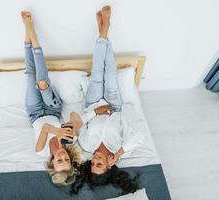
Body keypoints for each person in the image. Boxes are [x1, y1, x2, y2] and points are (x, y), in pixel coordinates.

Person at [70, 6, 144, 194]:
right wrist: (118, 154)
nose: (95, 158)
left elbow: (78, 123)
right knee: (110, 73)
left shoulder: (86, 145)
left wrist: (95, 111)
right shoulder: (120, 148)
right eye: (99, 163)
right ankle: (104, 30)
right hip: (114, 105)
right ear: (109, 166)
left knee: (97, 71)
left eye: (93, 163)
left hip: (94, 103)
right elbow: (139, 137)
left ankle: (103, 30)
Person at [21, 11, 81, 185]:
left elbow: (45, 128)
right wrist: (73, 127)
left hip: (34, 113)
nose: (62, 157)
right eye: (66, 160)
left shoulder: (40, 151)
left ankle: (27, 33)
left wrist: (58, 131)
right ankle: (34, 37)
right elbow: (75, 117)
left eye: (59, 161)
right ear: (70, 160)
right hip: (53, 109)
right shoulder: (70, 141)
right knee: (41, 82)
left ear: (52, 163)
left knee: (31, 75)